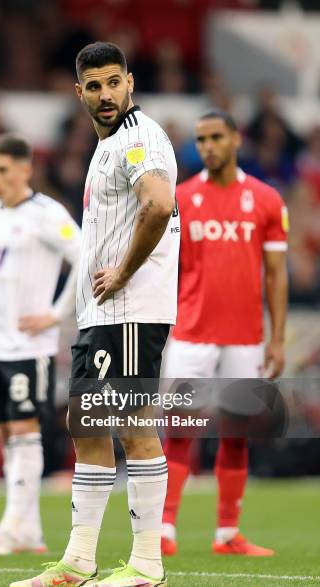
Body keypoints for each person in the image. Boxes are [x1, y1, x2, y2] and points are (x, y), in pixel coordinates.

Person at [9, 42, 180, 587]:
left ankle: (147, 565)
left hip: (129, 312)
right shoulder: (107, 146)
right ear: (78, 91)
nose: (105, 94)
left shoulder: (137, 138)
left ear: (130, 82)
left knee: (132, 425)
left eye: (114, 82)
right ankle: (80, 559)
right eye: (94, 85)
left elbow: (158, 203)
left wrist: (124, 273)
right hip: (103, 314)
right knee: (85, 426)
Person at [160, 109, 288, 556]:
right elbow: (161, 270)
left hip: (245, 336)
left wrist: (277, 337)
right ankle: (164, 529)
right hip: (192, 332)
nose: (207, 146)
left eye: (216, 137)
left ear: (236, 139)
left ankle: (227, 534)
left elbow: (276, 274)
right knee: (180, 429)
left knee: (235, 433)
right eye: (200, 139)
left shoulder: (267, 200)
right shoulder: (179, 199)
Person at [0, 133, 81, 555]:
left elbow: (84, 256)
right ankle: (28, 530)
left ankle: (13, 526)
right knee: (4, 430)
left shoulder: (46, 214)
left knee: (23, 427)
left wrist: (56, 313)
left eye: (2, 170)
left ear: (25, 169)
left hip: (28, 344)